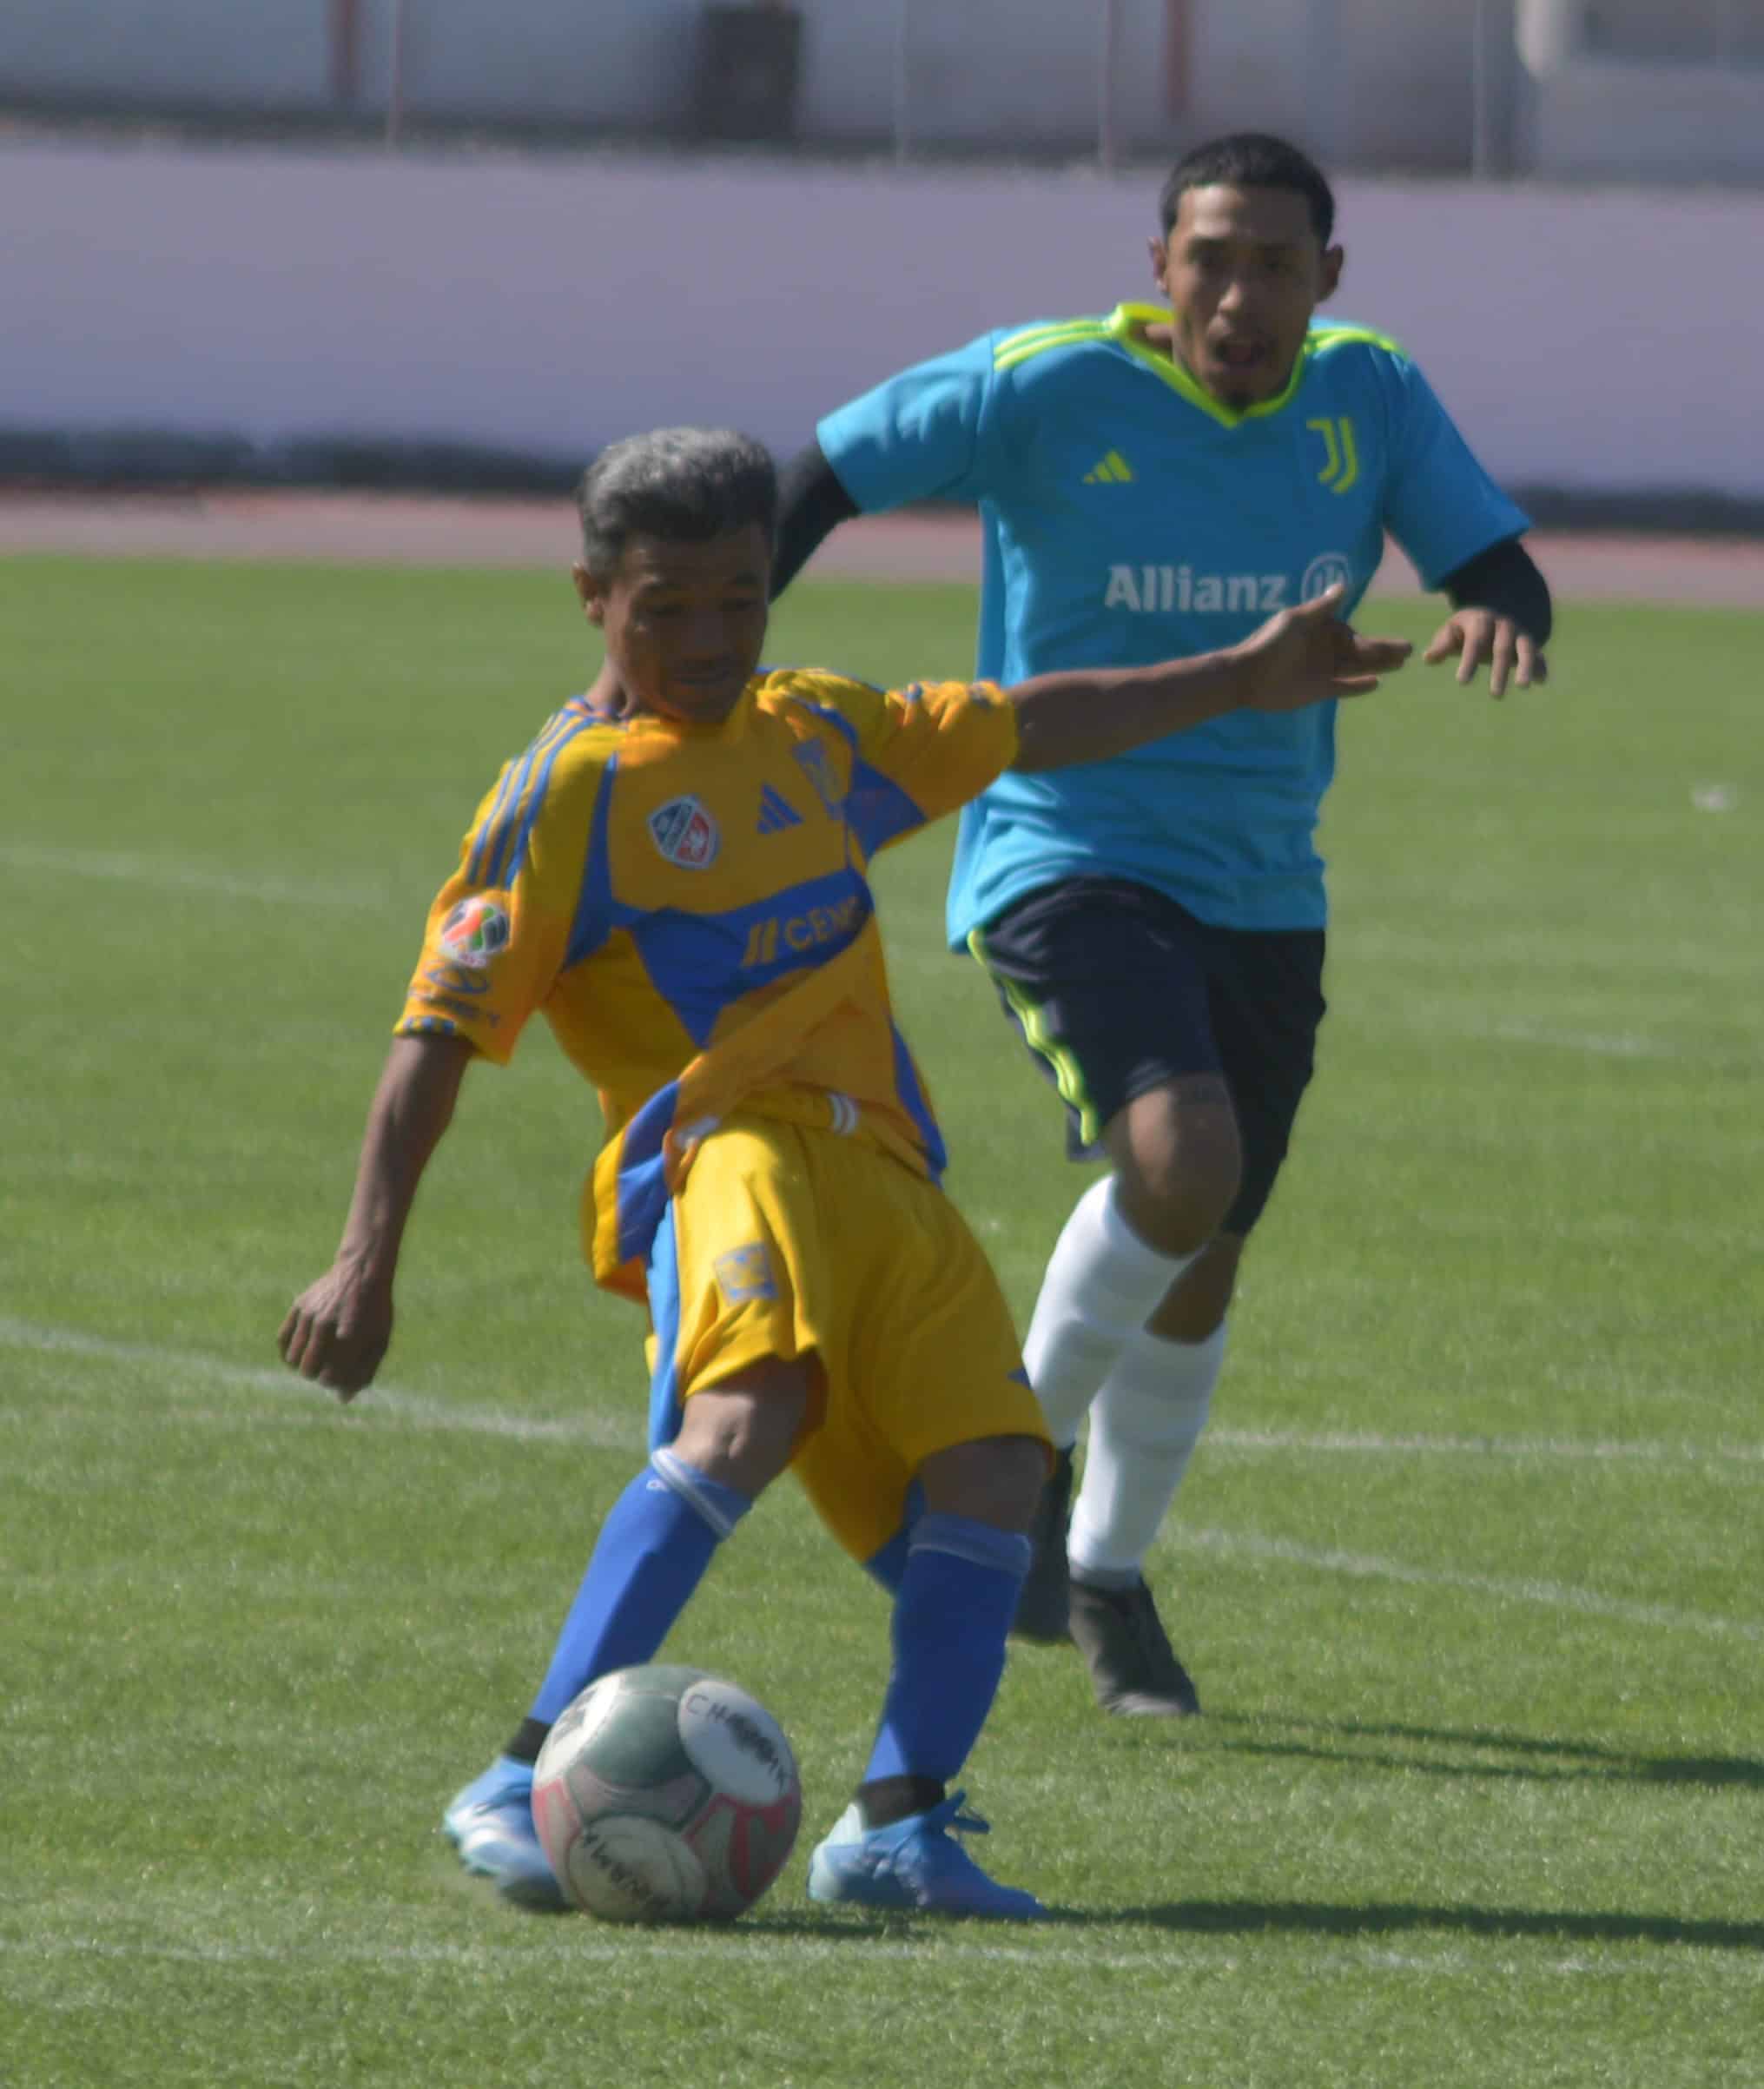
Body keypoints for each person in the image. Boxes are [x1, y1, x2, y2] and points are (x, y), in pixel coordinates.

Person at [276, 426, 1406, 1913]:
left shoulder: (813, 730)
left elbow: (1022, 722)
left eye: (739, 598)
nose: (708, 639)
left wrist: (1240, 676)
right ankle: (520, 1771)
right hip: (724, 1150)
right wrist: (365, 1259)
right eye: (666, 606)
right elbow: (436, 1032)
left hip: (880, 1159)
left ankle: (896, 1826)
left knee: (999, 1470)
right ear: (592, 595)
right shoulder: (567, 793)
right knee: (749, 1411)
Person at [765, 131, 1552, 1715]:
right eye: (1211, 259)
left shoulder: (1369, 395)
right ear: (1158, 268)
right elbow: (814, 476)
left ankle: (1109, 1577)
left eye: (1275, 264)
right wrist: (705, 669)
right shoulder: (1041, 386)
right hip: (1063, 845)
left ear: (1327, 279)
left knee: (1203, 1248)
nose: (1239, 294)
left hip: (1263, 879)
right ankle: (1006, 1464)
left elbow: (1499, 567)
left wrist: (1491, 608)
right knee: (1183, 1163)